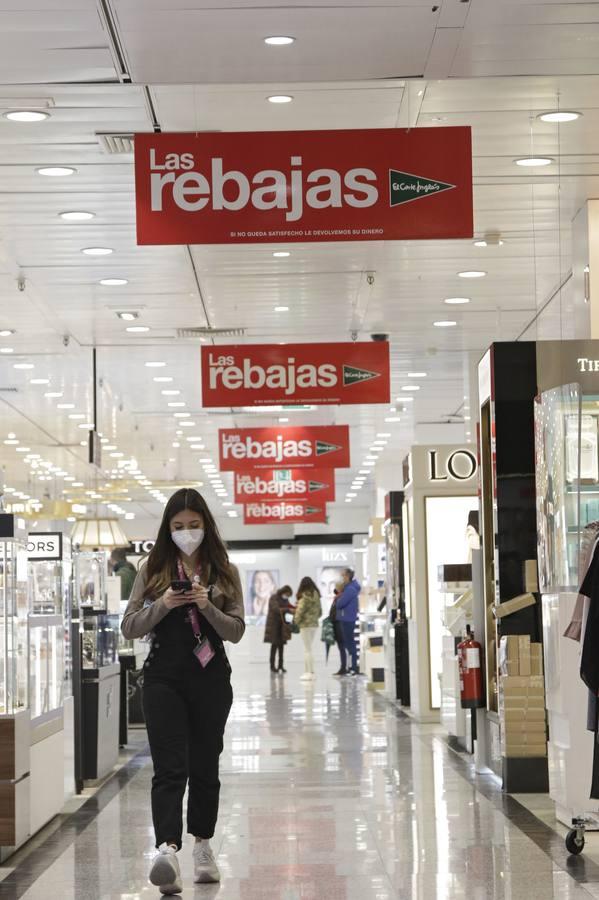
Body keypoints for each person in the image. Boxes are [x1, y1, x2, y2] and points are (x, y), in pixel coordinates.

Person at [121, 488, 245, 894]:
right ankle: (167, 850)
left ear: (205, 525)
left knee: (206, 764)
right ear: (167, 529)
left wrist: (207, 605)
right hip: (163, 679)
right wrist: (165, 604)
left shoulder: (224, 570)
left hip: (210, 679)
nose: (186, 532)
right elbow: (130, 626)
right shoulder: (152, 568)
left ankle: (203, 846)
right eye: (178, 527)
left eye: (193, 525)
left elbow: (237, 631)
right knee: (170, 766)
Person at [294, 576, 322, 681]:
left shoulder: (304, 596)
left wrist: (295, 622)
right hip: (314, 625)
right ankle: (312, 672)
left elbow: (299, 611)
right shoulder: (316, 595)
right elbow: (320, 612)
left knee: (307, 649)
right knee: (310, 649)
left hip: (305, 625)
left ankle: (308, 672)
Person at [335, 568, 361, 676]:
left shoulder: (350, 590)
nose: (342, 578)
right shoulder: (349, 588)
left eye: (343, 576)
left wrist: (339, 600)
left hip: (347, 619)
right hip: (347, 618)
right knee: (349, 644)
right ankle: (352, 667)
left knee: (350, 644)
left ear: (348, 576)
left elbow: (340, 604)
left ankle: (353, 668)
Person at [263, 585, 293, 673]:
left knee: (281, 647)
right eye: (287, 594)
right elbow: (275, 609)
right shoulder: (274, 598)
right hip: (274, 626)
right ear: (284, 591)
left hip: (282, 627)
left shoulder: (286, 600)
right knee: (274, 646)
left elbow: (287, 610)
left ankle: (281, 666)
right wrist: (287, 609)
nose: (287, 596)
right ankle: (272, 666)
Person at [330, 581, 348, 676]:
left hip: (339, 624)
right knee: (341, 647)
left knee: (342, 647)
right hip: (336, 623)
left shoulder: (341, 598)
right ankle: (343, 667)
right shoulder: (338, 597)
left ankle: (344, 667)